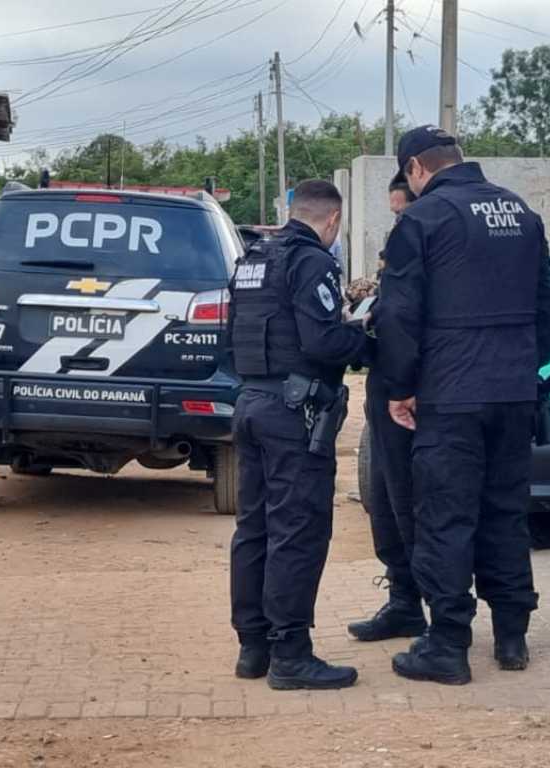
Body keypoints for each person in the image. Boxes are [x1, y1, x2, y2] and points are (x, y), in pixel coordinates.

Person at [375, 126, 550, 685]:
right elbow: (546, 307)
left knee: (446, 515)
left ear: (415, 169)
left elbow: (398, 315)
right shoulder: (521, 212)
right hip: (513, 393)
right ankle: (511, 636)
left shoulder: (423, 220)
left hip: (451, 395)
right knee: (504, 511)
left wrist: (401, 386)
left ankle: (448, 643)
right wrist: (522, 368)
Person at [228, 179, 371, 690]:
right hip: (295, 414)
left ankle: (253, 647)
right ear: (331, 220)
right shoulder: (312, 261)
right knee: (298, 530)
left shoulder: (253, 259)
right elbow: (323, 341)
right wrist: (365, 336)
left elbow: (235, 333)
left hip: (250, 403)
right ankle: (291, 653)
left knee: (255, 527)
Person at [347, 179, 426, 643]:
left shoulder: (428, 251)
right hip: (385, 398)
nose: (397, 222)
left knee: (414, 506)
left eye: (403, 212)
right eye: (393, 213)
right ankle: (403, 603)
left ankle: (441, 612)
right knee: (384, 503)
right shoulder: (396, 255)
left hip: (415, 400)